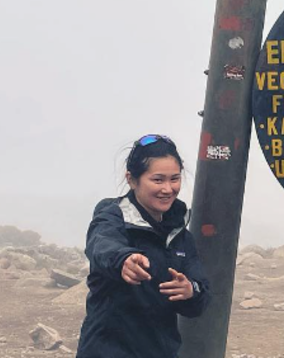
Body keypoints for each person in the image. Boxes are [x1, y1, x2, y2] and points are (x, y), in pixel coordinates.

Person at [77, 134, 210, 358]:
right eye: (158, 180)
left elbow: (201, 295)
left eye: (174, 179)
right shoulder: (112, 216)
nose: (168, 189)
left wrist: (190, 291)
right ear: (132, 179)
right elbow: (101, 244)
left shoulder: (181, 235)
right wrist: (124, 260)